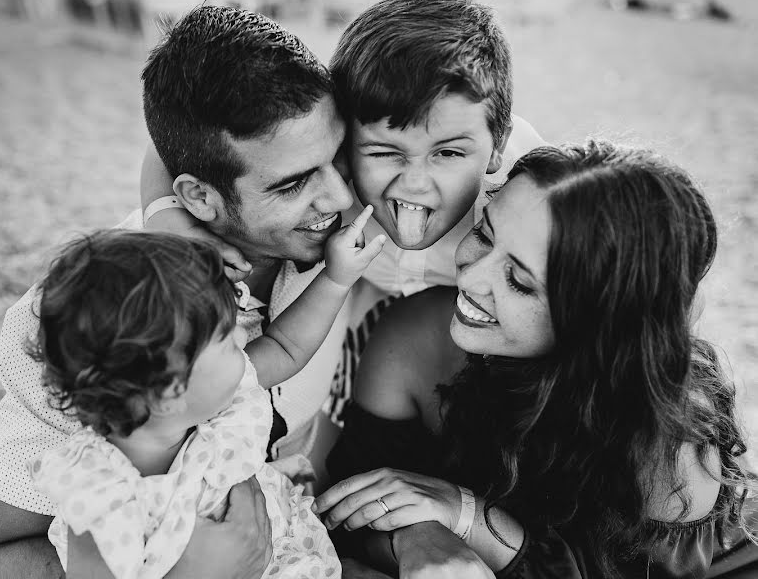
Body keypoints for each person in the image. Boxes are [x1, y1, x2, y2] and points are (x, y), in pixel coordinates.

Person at [0, 5, 356, 579]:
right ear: (199, 197)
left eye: (339, 156)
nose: (341, 198)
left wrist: (164, 214)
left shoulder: (369, 224)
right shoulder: (92, 323)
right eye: (294, 184)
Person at [313, 140, 758, 578]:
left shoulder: (665, 436)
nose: (471, 275)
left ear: (595, 323)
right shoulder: (417, 334)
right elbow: (349, 509)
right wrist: (418, 533)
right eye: (485, 235)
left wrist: (471, 520)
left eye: (519, 281)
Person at [139, 0, 546, 422]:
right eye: (383, 152)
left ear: (496, 147)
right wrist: (169, 224)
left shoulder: (521, 186)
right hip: (364, 321)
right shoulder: (337, 140)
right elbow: (175, 143)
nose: (414, 185)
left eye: (446, 154)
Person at [26, 213, 382, 578]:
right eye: (228, 339)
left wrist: (337, 278)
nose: (244, 339)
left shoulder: (207, 401)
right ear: (169, 391)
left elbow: (286, 345)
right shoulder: (103, 497)